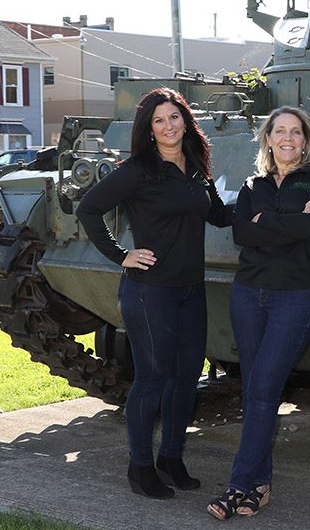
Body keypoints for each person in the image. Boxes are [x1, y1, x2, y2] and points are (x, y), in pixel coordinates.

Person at [76, 87, 229, 500]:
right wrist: (121, 255)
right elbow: (87, 208)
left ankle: (172, 458)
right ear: (148, 128)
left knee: (185, 378)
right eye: (159, 120)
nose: (168, 126)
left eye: (174, 117)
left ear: (186, 121)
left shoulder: (196, 166)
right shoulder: (138, 171)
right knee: (153, 379)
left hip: (189, 290)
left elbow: (218, 214)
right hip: (149, 292)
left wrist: (268, 197)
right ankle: (140, 467)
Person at [208, 106, 310, 520]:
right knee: (255, 390)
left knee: (263, 388)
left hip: (296, 296)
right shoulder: (252, 183)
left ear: (305, 140)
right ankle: (259, 485)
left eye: (295, 132)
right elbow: (242, 232)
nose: (287, 138)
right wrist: (291, 218)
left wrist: (269, 220)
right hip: (248, 293)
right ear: (268, 138)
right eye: (279, 131)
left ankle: (237, 485)